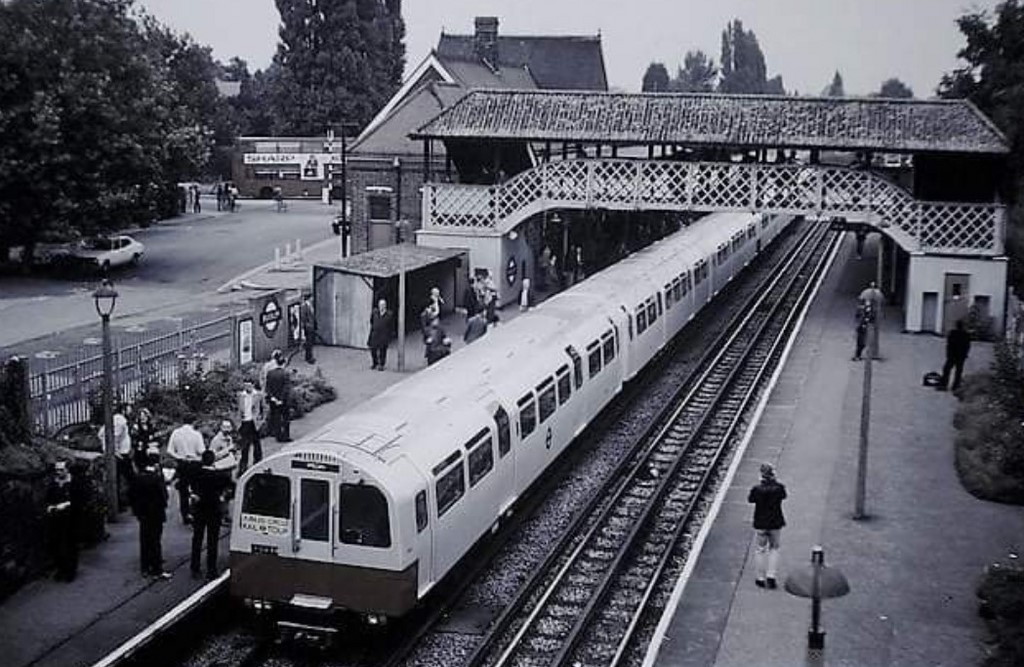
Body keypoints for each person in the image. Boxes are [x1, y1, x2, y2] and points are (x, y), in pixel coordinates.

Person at [130, 445, 172, 579]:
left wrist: (137, 511)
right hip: (156, 513)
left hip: (143, 513)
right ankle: (157, 568)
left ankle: (145, 567)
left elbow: (132, 495)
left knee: (145, 539)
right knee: (155, 540)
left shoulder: (138, 478)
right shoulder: (157, 479)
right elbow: (164, 496)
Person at [190, 450, 233, 580]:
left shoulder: (196, 474)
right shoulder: (219, 476)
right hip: (214, 510)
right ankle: (211, 570)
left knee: (197, 539)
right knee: (212, 541)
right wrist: (223, 497)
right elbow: (232, 487)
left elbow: (185, 486)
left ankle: (195, 568)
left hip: (199, 510)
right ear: (213, 461)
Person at [748, 462, 787, 589]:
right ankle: (771, 576)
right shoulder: (779, 488)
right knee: (774, 549)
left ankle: (760, 578)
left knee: (760, 549)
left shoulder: (757, 489)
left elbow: (751, 499)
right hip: (776, 522)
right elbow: (783, 496)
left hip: (760, 523)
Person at [167, 414, 204, 524]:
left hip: (182, 464)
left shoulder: (176, 433)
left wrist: (179, 457)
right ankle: (194, 512)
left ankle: (185, 514)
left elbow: (170, 450)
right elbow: (201, 450)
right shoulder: (197, 435)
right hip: (194, 464)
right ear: (194, 422)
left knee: (183, 490)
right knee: (196, 489)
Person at [45, 461, 78, 582]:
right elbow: (48, 498)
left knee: (70, 545)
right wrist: (49, 506)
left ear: (67, 470)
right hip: (56, 518)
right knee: (56, 545)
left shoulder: (73, 483)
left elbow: (80, 499)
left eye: (61, 469)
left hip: (71, 519)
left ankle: (70, 572)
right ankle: (60, 569)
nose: (58, 472)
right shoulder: (53, 484)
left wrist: (67, 504)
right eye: (57, 470)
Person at [99, 411, 133, 508]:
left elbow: (100, 434)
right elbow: (115, 436)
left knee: (119, 478)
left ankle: (120, 502)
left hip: (117, 453)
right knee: (127, 478)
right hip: (120, 455)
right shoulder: (120, 420)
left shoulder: (113, 419)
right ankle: (123, 502)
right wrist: (116, 451)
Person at [237, 381, 264, 472]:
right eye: (245, 385)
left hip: (254, 422)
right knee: (245, 445)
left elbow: (264, 408)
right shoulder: (241, 396)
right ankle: (243, 466)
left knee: (256, 444)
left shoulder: (258, 395)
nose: (247, 387)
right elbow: (238, 409)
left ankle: (258, 463)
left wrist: (261, 419)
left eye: (249, 385)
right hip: (244, 422)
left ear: (252, 385)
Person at [938, 319, 971, 391]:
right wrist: (965, 354)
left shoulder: (952, 333)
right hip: (961, 355)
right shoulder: (966, 335)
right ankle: (956, 386)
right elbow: (967, 346)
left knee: (947, 369)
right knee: (958, 371)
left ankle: (944, 384)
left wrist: (948, 354)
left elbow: (949, 345)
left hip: (952, 355)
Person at [265, 362, 292, 443]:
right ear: (283, 364)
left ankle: (278, 435)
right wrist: (281, 399)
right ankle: (286, 436)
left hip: (273, 400)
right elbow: (286, 388)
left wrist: (273, 397)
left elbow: (268, 387)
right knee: (285, 418)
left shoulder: (270, 373)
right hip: (283, 401)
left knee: (276, 417)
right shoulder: (285, 374)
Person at [368, 299, 394, 371]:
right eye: (380, 305)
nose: (381, 307)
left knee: (383, 350)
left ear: (385, 306)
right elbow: (371, 321)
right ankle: (375, 362)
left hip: (384, 335)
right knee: (373, 349)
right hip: (375, 334)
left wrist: (389, 335)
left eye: (383, 305)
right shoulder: (375, 312)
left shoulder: (389, 314)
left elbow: (391, 325)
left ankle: (382, 364)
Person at [130, 407, 158, 472]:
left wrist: (155, 443)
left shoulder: (151, 427)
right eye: (141, 416)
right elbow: (135, 440)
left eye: (144, 416)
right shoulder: (136, 427)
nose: (142, 418)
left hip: (151, 450)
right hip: (140, 451)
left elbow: (156, 438)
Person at [300, 295, 316, 364]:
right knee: (308, 342)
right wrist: (307, 325)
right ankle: (308, 357)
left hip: (311, 326)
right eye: (311, 297)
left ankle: (310, 356)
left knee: (311, 342)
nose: (313, 299)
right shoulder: (304, 306)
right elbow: (303, 317)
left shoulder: (310, 305)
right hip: (308, 327)